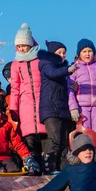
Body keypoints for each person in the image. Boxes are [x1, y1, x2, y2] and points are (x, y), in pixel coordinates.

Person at [37, 41, 78, 174]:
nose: (62, 55)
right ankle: (49, 167)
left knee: (64, 139)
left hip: (62, 108)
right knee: (54, 138)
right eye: (59, 52)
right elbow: (53, 73)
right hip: (50, 108)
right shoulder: (45, 63)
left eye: (64, 52)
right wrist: (68, 70)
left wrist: (73, 85)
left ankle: (63, 167)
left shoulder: (63, 69)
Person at [9, 23, 47, 168]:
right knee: (30, 137)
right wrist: (14, 109)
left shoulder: (40, 60)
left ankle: (46, 167)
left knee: (44, 136)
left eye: (24, 45)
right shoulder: (15, 64)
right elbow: (15, 88)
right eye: (19, 46)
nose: (22, 48)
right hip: (25, 104)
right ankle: (34, 166)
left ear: (30, 44)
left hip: (41, 101)